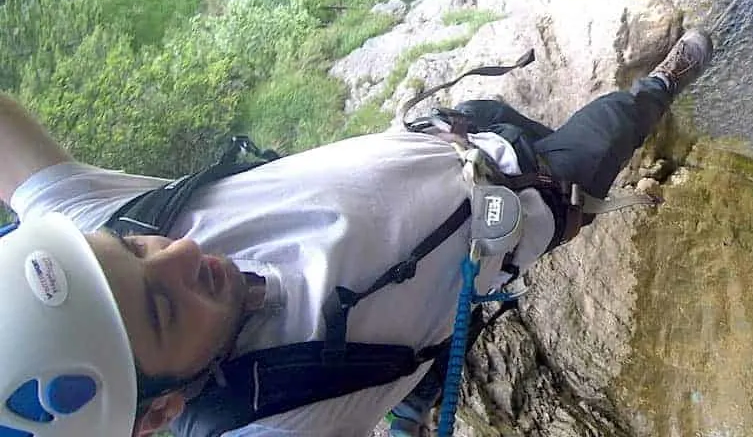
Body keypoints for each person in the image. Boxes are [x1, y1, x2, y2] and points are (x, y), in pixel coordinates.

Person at [0, 28, 714, 437]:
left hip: (456, 133)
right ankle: (661, 86)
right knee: (607, 137)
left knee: (417, 370)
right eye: (164, 308)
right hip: (528, 205)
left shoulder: (89, 248)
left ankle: (414, 390)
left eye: (138, 248)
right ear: (159, 411)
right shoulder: (274, 425)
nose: (182, 251)